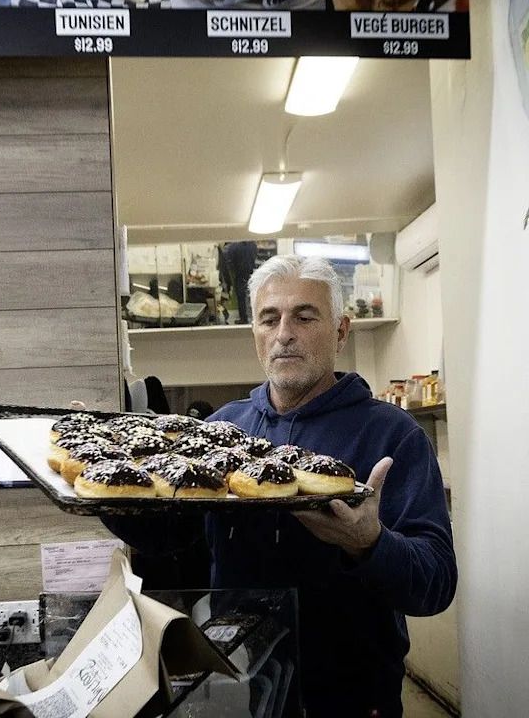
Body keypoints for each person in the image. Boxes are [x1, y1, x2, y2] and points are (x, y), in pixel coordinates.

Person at [104, 255, 456, 718]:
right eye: (269, 318)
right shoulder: (221, 430)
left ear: (341, 331)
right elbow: (170, 537)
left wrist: (369, 543)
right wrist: (106, 483)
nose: (284, 332)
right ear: (255, 334)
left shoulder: (392, 435)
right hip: (240, 688)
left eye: (305, 316)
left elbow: (435, 584)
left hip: (352, 699)